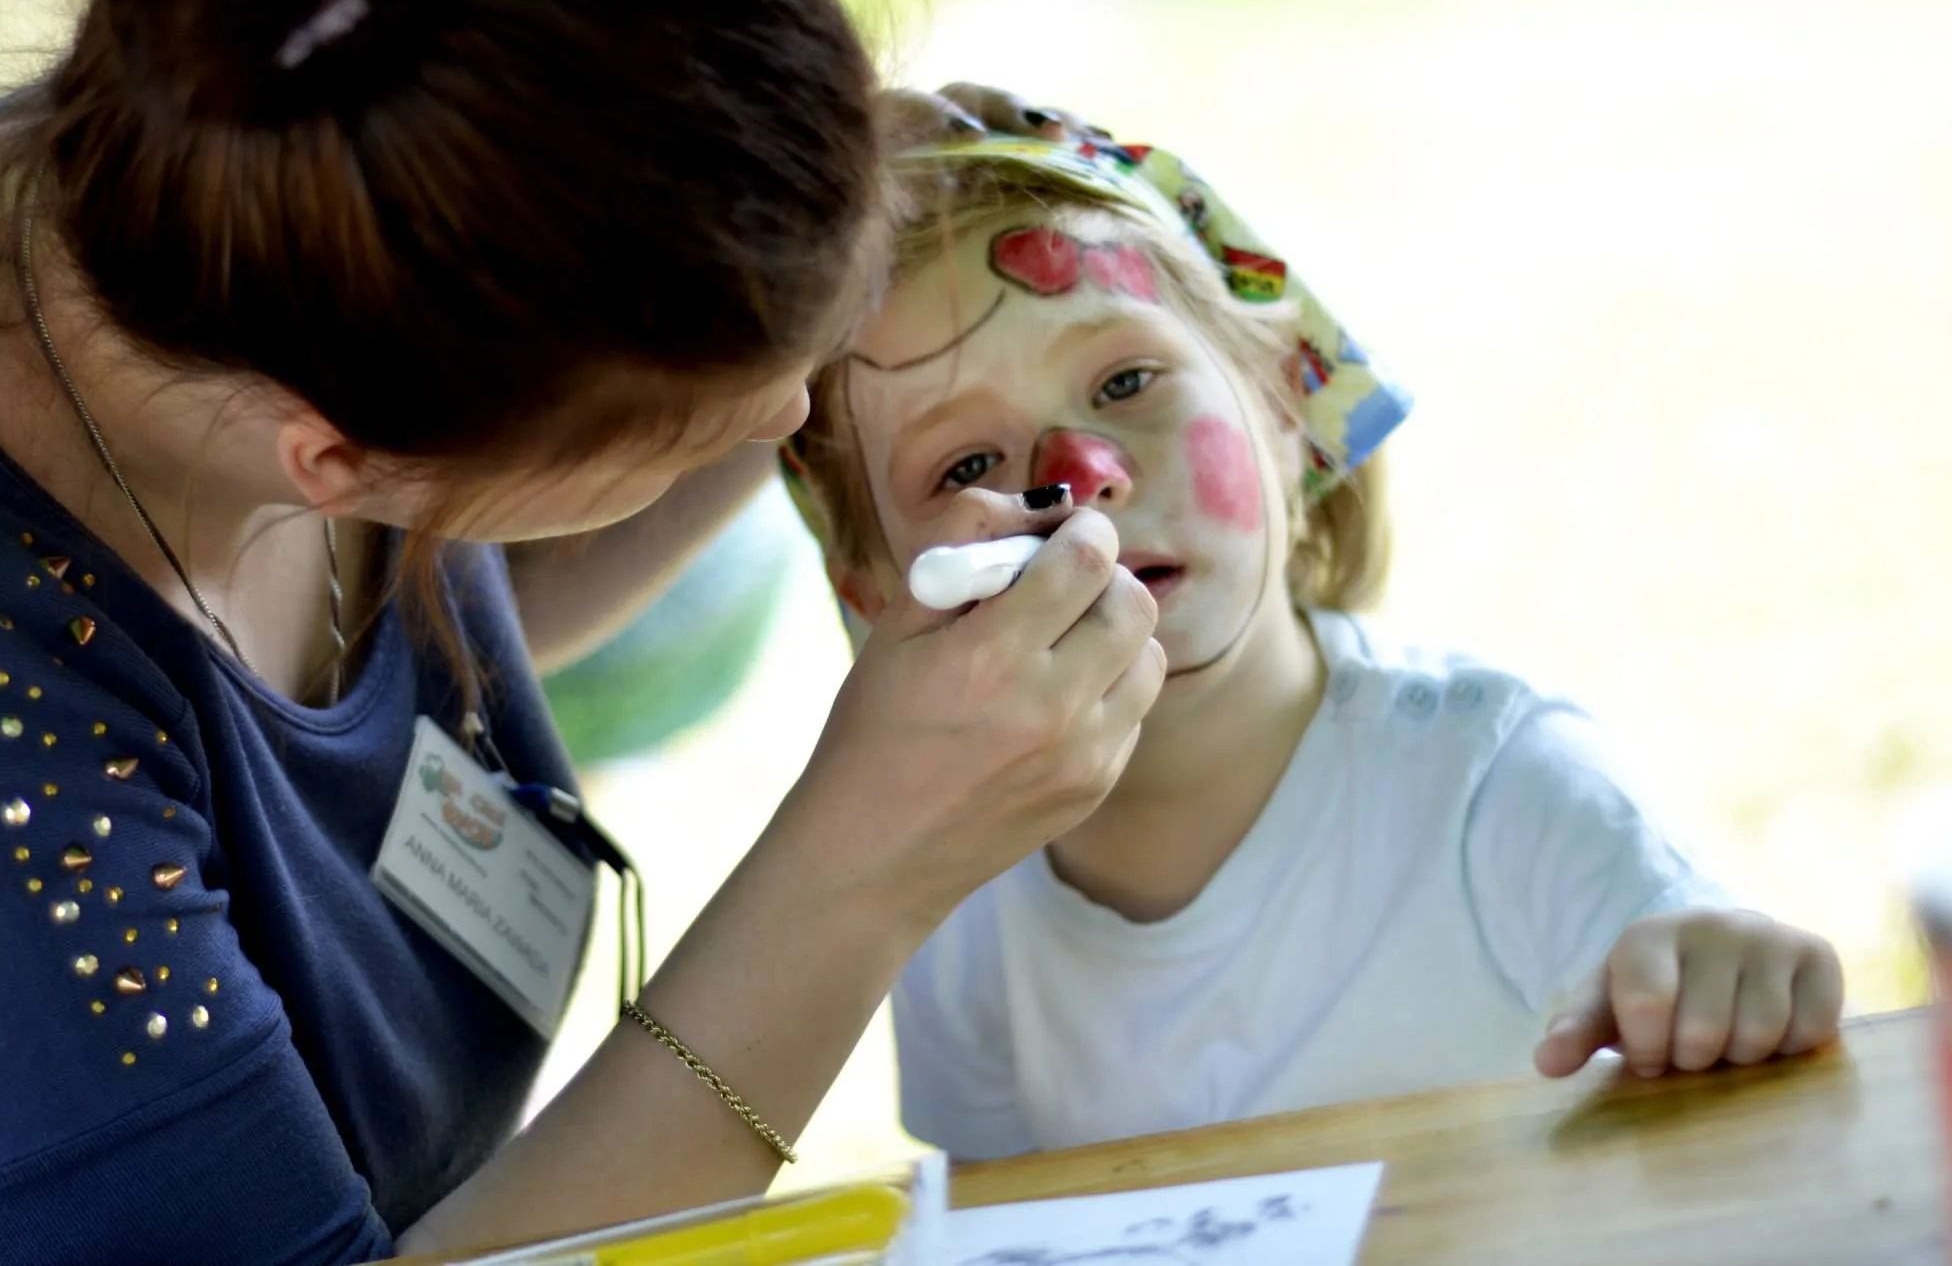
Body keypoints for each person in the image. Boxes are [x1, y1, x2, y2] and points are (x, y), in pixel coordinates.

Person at [0, 0, 1165, 1261]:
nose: (787, 415)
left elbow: (439, 634)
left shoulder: (264, 177)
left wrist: (788, 248)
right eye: (701, 421)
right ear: (336, 462)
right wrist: (867, 865)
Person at [780, 134, 1846, 1160]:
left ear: (1287, 412)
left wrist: (1717, 969)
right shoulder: (950, 895)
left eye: (1123, 383)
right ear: (875, 599)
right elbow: (1000, 1229)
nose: (1084, 473)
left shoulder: (1495, 785)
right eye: (967, 459)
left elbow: (1709, 992)